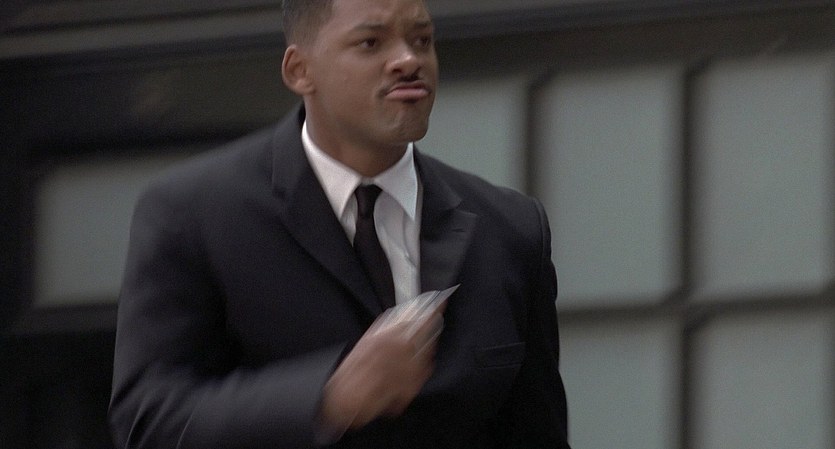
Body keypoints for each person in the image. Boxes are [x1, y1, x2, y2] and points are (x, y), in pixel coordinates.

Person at [108, 0, 571, 447]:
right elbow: (148, 421)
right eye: (371, 43)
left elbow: (537, 433)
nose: (409, 60)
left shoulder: (509, 229)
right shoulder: (193, 214)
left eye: (422, 40)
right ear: (299, 71)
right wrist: (328, 398)